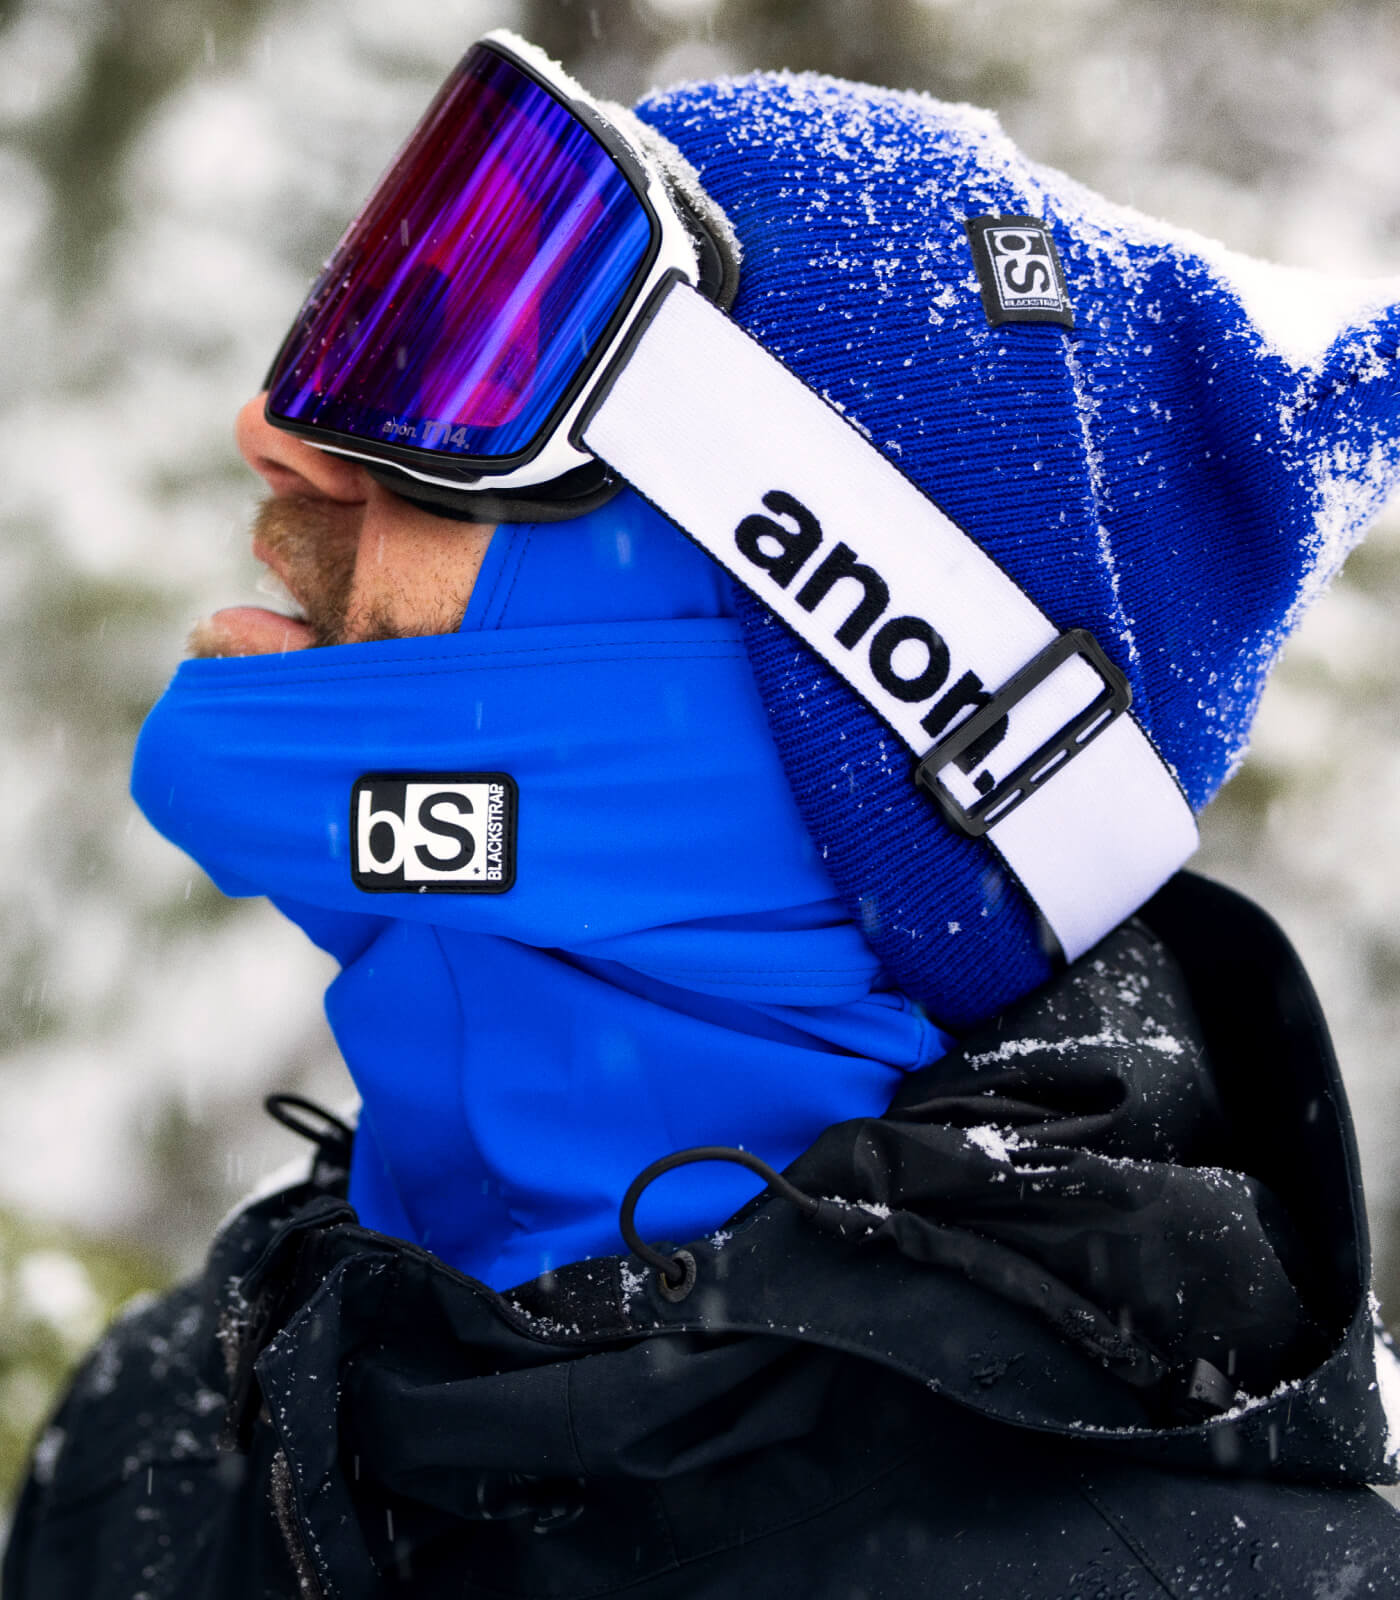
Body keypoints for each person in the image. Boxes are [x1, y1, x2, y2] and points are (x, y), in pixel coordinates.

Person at [7, 29, 1400, 1599]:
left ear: (831, 664)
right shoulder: (185, 1428)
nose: (288, 437)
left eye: (461, 395)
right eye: (396, 324)